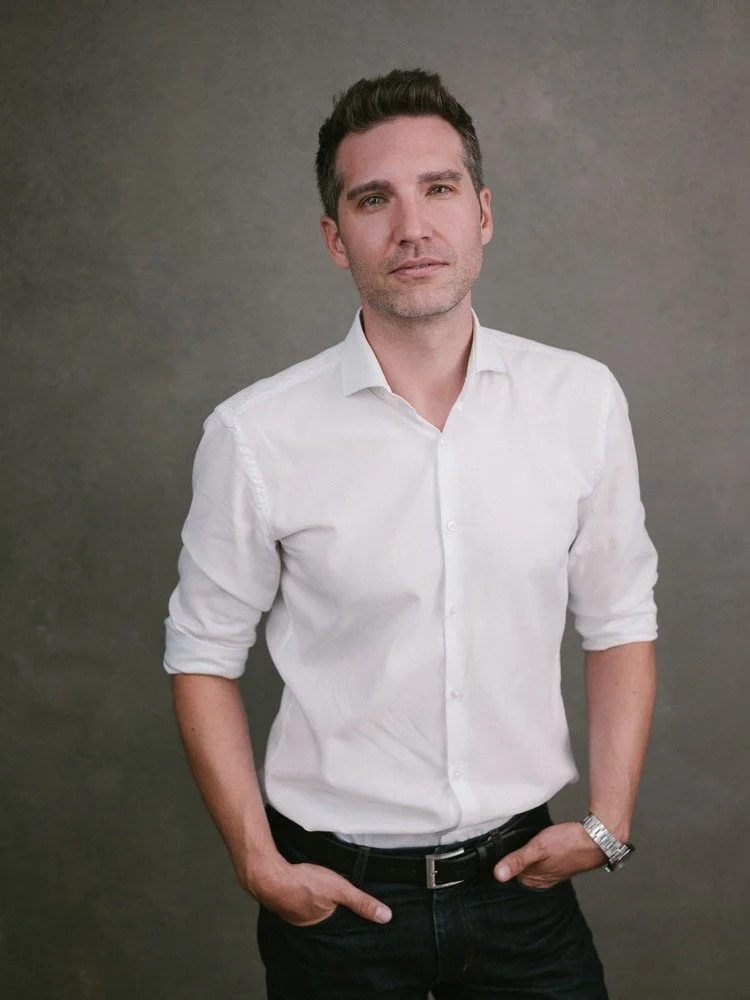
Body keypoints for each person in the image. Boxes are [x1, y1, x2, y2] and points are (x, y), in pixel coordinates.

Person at [164, 68, 658, 999]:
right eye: (373, 199)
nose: (412, 226)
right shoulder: (255, 434)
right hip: (336, 908)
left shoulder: (580, 401)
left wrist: (610, 821)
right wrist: (259, 864)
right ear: (334, 237)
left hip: (524, 890)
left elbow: (620, 617)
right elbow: (201, 654)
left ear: (482, 213)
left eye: (438, 188)